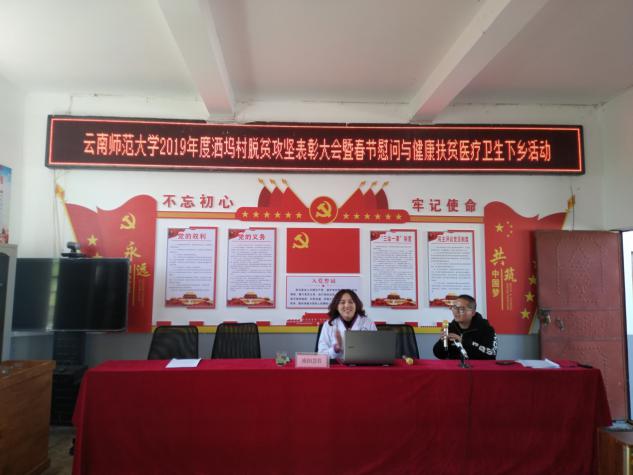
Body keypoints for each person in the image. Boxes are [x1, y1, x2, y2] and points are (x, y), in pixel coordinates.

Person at [433, 294, 497, 360]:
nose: (456, 312)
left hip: (477, 366)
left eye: (461, 309)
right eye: (455, 308)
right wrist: (442, 342)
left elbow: (491, 355)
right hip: (455, 366)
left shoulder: (486, 329)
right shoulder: (450, 328)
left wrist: (463, 342)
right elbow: (440, 355)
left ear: (472, 313)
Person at [317, 289, 376, 358]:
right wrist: (336, 348)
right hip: (337, 364)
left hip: (362, 363)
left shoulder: (368, 323)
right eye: (342, 302)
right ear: (337, 306)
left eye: (351, 302)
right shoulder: (328, 325)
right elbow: (322, 355)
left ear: (356, 305)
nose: (347, 305)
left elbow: (376, 350)